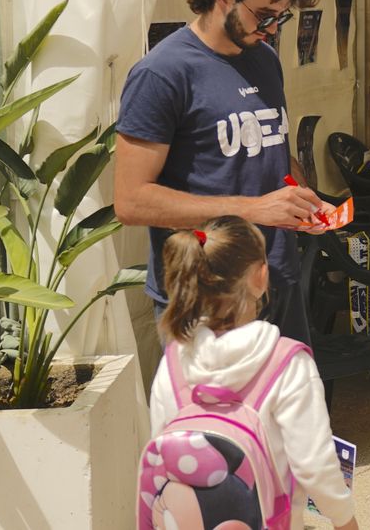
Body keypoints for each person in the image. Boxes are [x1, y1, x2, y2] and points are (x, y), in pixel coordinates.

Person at [116, 0, 331, 344]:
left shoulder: (264, 59)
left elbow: (268, 148)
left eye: (280, 17)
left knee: (290, 405)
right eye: (264, 14)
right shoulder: (162, 74)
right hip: (204, 295)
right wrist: (253, 209)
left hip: (274, 277)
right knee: (220, 412)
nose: (271, 29)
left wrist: (302, 201)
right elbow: (131, 201)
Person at [148, 217, 357, 530]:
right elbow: (314, 466)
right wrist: (344, 520)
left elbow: (161, 451)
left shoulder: (175, 361)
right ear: (261, 277)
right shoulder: (286, 363)